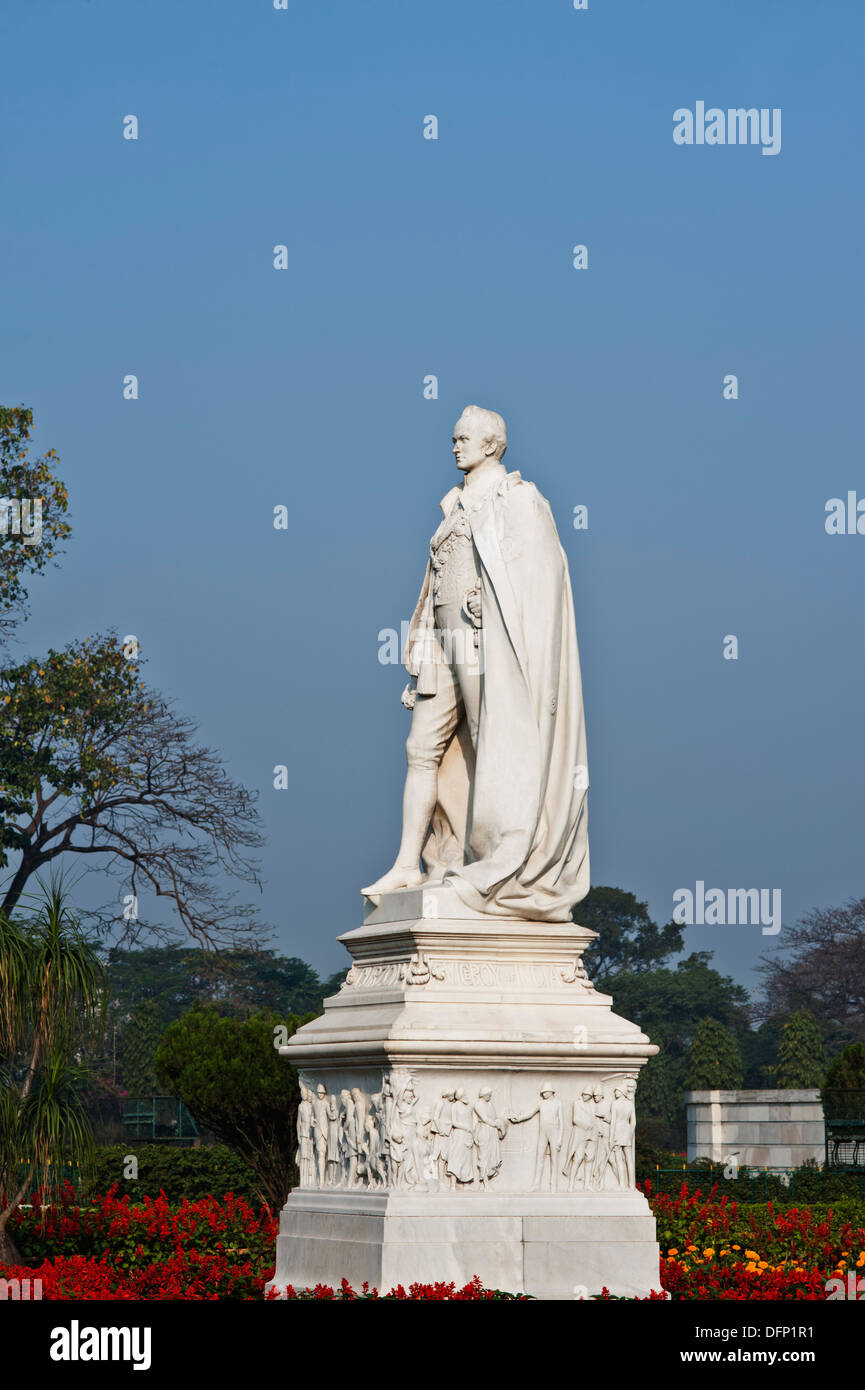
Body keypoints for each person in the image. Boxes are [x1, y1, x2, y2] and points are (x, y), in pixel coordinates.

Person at [362, 405, 589, 922]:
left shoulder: (520, 499)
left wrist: (493, 599)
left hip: (488, 641)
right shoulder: (455, 505)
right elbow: (433, 582)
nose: (454, 445)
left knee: (494, 740)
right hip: (444, 641)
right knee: (422, 746)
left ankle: (497, 855)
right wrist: (420, 639)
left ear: (491, 445)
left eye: (463, 438)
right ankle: (409, 863)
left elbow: (541, 574)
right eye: (454, 438)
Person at [510, 1082, 563, 1191]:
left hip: (554, 1132)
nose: (543, 1094)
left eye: (545, 1092)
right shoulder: (541, 1103)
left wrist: (560, 1139)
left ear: (551, 1092)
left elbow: (562, 1122)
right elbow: (530, 1113)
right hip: (543, 1132)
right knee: (539, 1158)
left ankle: (554, 1186)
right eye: (542, 1093)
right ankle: (536, 1184)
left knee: (554, 1160)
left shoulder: (558, 1103)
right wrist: (518, 1118)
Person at [561, 1088, 596, 1191]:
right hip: (580, 1133)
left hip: (591, 1134)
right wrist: (586, 1126)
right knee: (578, 1158)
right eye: (584, 1094)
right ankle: (571, 1184)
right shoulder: (577, 1103)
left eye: (588, 1095)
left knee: (590, 1159)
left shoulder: (592, 1105)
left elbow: (594, 1118)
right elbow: (575, 1119)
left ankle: (587, 1184)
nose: (586, 1096)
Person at [473, 1088, 507, 1186]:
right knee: (484, 1157)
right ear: (484, 1095)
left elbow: (494, 1117)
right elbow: (485, 1119)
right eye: (489, 1095)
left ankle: (486, 1181)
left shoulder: (490, 1104)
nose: (490, 1097)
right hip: (484, 1130)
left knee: (492, 1157)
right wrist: (497, 1125)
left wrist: (501, 1123)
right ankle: (485, 1183)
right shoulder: (478, 1105)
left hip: (492, 1131)